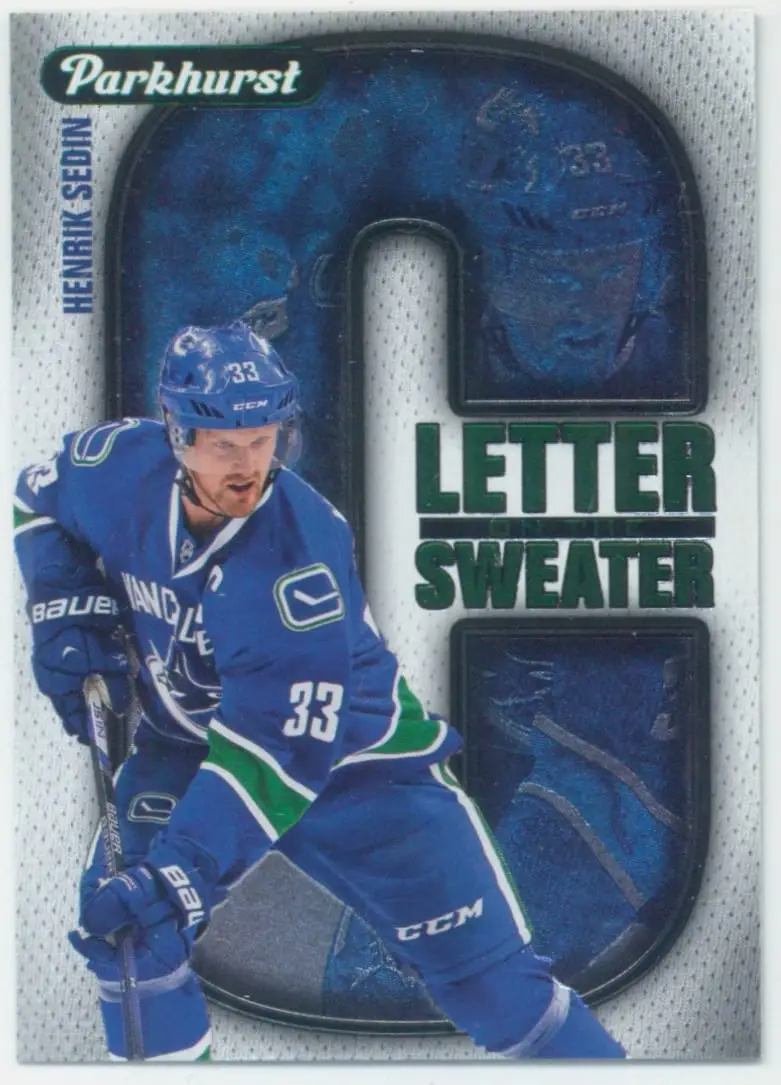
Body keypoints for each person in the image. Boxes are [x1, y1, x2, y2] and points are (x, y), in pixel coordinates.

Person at [14, 322, 626, 1061]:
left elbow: (277, 755)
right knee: (133, 941)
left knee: (495, 991)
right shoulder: (115, 466)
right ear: (177, 434)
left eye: (261, 440)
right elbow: (37, 500)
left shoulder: (296, 559)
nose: (247, 465)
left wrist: (182, 872)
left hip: (358, 769)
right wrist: (63, 602)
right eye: (224, 444)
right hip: (186, 747)